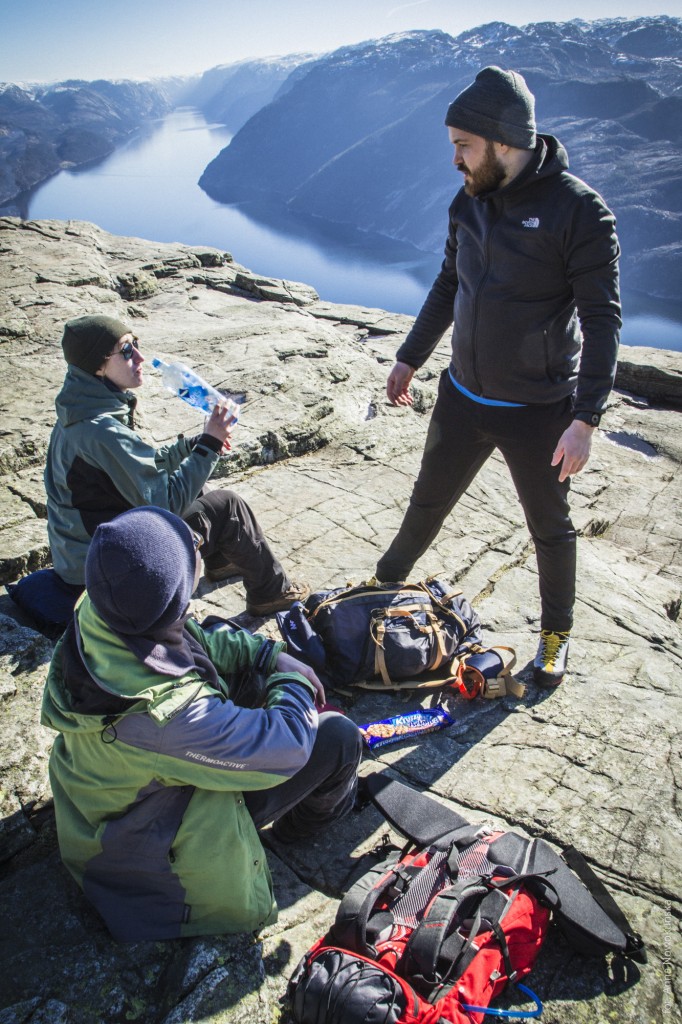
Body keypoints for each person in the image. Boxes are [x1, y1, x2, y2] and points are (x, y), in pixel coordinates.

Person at [375, 67, 621, 688]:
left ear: (503, 141)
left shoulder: (579, 212)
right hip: (462, 394)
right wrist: (411, 355)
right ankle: (378, 590)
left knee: (549, 527)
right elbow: (449, 281)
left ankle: (556, 635)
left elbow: (602, 321)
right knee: (427, 501)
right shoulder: (470, 200)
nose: (454, 159)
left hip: (538, 408)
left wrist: (585, 419)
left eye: (463, 144)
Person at [41, 505, 362, 941]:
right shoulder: (169, 714)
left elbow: (193, 637)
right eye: (187, 548)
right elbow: (287, 747)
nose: (195, 545)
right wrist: (291, 679)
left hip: (117, 794)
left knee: (252, 677)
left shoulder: (106, 604)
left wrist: (267, 655)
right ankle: (297, 834)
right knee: (338, 738)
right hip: (154, 847)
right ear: (174, 592)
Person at [44, 314, 308, 617]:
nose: (140, 356)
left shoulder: (80, 410)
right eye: (127, 350)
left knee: (199, 489)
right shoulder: (101, 430)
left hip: (85, 554)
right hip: (104, 572)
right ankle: (271, 593)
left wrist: (191, 447)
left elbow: (140, 468)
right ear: (98, 365)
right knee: (228, 507)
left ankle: (221, 562)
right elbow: (166, 503)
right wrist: (210, 445)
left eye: (136, 344)